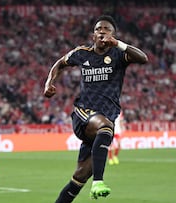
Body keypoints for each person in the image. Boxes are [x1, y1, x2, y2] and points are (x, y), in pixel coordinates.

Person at [43, 15, 148, 202]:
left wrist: (118, 44)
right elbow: (59, 63)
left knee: (79, 177)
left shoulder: (118, 55)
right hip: (83, 114)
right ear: (93, 34)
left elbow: (143, 58)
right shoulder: (82, 53)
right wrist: (49, 82)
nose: (102, 32)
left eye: (107, 29)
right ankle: (98, 182)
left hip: (103, 121)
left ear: (113, 36)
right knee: (106, 127)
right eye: (99, 29)